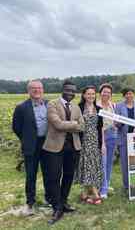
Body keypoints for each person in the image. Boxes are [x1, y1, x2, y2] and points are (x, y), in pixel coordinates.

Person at [42, 80, 84, 225]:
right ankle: (57, 207)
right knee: (54, 177)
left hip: (73, 148)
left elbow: (82, 126)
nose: (70, 93)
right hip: (54, 148)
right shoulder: (52, 104)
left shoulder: (76, 107)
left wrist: (72, 125)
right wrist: (74, 124)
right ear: (63, 90)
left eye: (73, 91)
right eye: (68, 90)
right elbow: (57, 124)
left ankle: (64, 202)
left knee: (68, 176)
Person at [12, 80, 50, 215]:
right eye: (34, 88)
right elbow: (16, 127)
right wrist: (27, 138)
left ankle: (49, 198)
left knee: (48, 173)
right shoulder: (21, 107)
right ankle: (30, 202)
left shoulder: (48, 104)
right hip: (31, 145)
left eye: (39, 88)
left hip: (47, 144)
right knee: (31, 174)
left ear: (43, 90)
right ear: (28, 91)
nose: (37, 90)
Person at [77, 86, 104, 205]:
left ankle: (85, 193)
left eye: (93, 94)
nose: (91, 96)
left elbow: (101, 128)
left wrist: (103, 144)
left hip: (95, 141)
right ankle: (94, 192)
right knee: (87, 165)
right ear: (84, 95)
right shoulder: (79, 108)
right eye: (88, 94)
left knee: (94, 165)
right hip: (84, 141)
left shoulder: (99, 109)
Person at [115, 88, 135, 192]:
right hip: (123, 138)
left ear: (134, 94)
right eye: (127, 94)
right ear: (124, 95)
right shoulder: (119, 106)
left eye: (131, 93)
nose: (129, 95)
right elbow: (116, 120)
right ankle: (126, 185)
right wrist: (118, 123)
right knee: (125, 163)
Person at [97, 83, 118, 199]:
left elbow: (114, 120)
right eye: (104, 92)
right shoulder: (96, 105)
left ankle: (107, 184)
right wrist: (102, 143)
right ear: (100, 93)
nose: (106, 94)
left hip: (112, 134)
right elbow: (97, 125)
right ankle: (103, 189)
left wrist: (115, 125)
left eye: (108, 92)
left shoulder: (113, 105)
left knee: (109, 162)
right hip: (102, 136)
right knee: (102, 162)